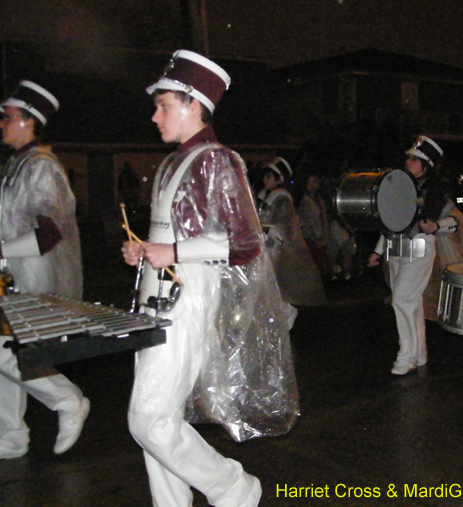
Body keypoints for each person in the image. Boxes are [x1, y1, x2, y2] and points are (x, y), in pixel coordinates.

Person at [121, 50, 299, 507]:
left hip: (185, 303)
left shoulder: (217, 160)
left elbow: (245, 243)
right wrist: (146, 250)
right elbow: (179, 236)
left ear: (194, 104)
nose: (154, 114)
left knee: (149, 421)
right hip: (158, 299)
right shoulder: (175, 163)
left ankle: (234, 488)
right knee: (159, 420)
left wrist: (171, 252)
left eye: (164, 104)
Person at [0, 81, 90, 464]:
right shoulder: (21, 165)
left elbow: (50, 234)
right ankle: (11, 436)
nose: (1, 125)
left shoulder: (43, 168)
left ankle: (68, 400)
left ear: (30, 122)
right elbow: (18, 226)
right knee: (1, 356)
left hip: (38, 286)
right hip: (15, 282)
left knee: (6, 358)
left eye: (8, 118)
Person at [367, 136, 458, 375]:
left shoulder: (437, 188)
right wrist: (378, 250)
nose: (408, 161)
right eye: (408, 157)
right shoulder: (400, 184)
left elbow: (457, 219)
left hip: (419, 246)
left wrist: (437, 225)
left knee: (402, 299)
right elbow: (390, 221)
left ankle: (406, 355)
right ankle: (419, 354)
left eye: (413, 159)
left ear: (426, 163)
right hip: (396, 248)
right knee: (411, 302)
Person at [258, 158, 326, 313]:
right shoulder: (264, 196)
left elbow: (286, 228)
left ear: (278, 179)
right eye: (265, 176)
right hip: (264, 248)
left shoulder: (281, 199)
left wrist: (266, 229)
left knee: (280, 292)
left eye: (269, 177)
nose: (264, 180)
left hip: (277, 251)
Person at [296, 173, 329, 275]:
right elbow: (306, 223)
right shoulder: (304, 201)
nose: (312, 185)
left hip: (319, 239)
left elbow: (324, 219)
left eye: (315, 181)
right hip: (310, 240)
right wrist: (316, 239)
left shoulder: (319, 199)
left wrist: (325, 236)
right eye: (309, 182)